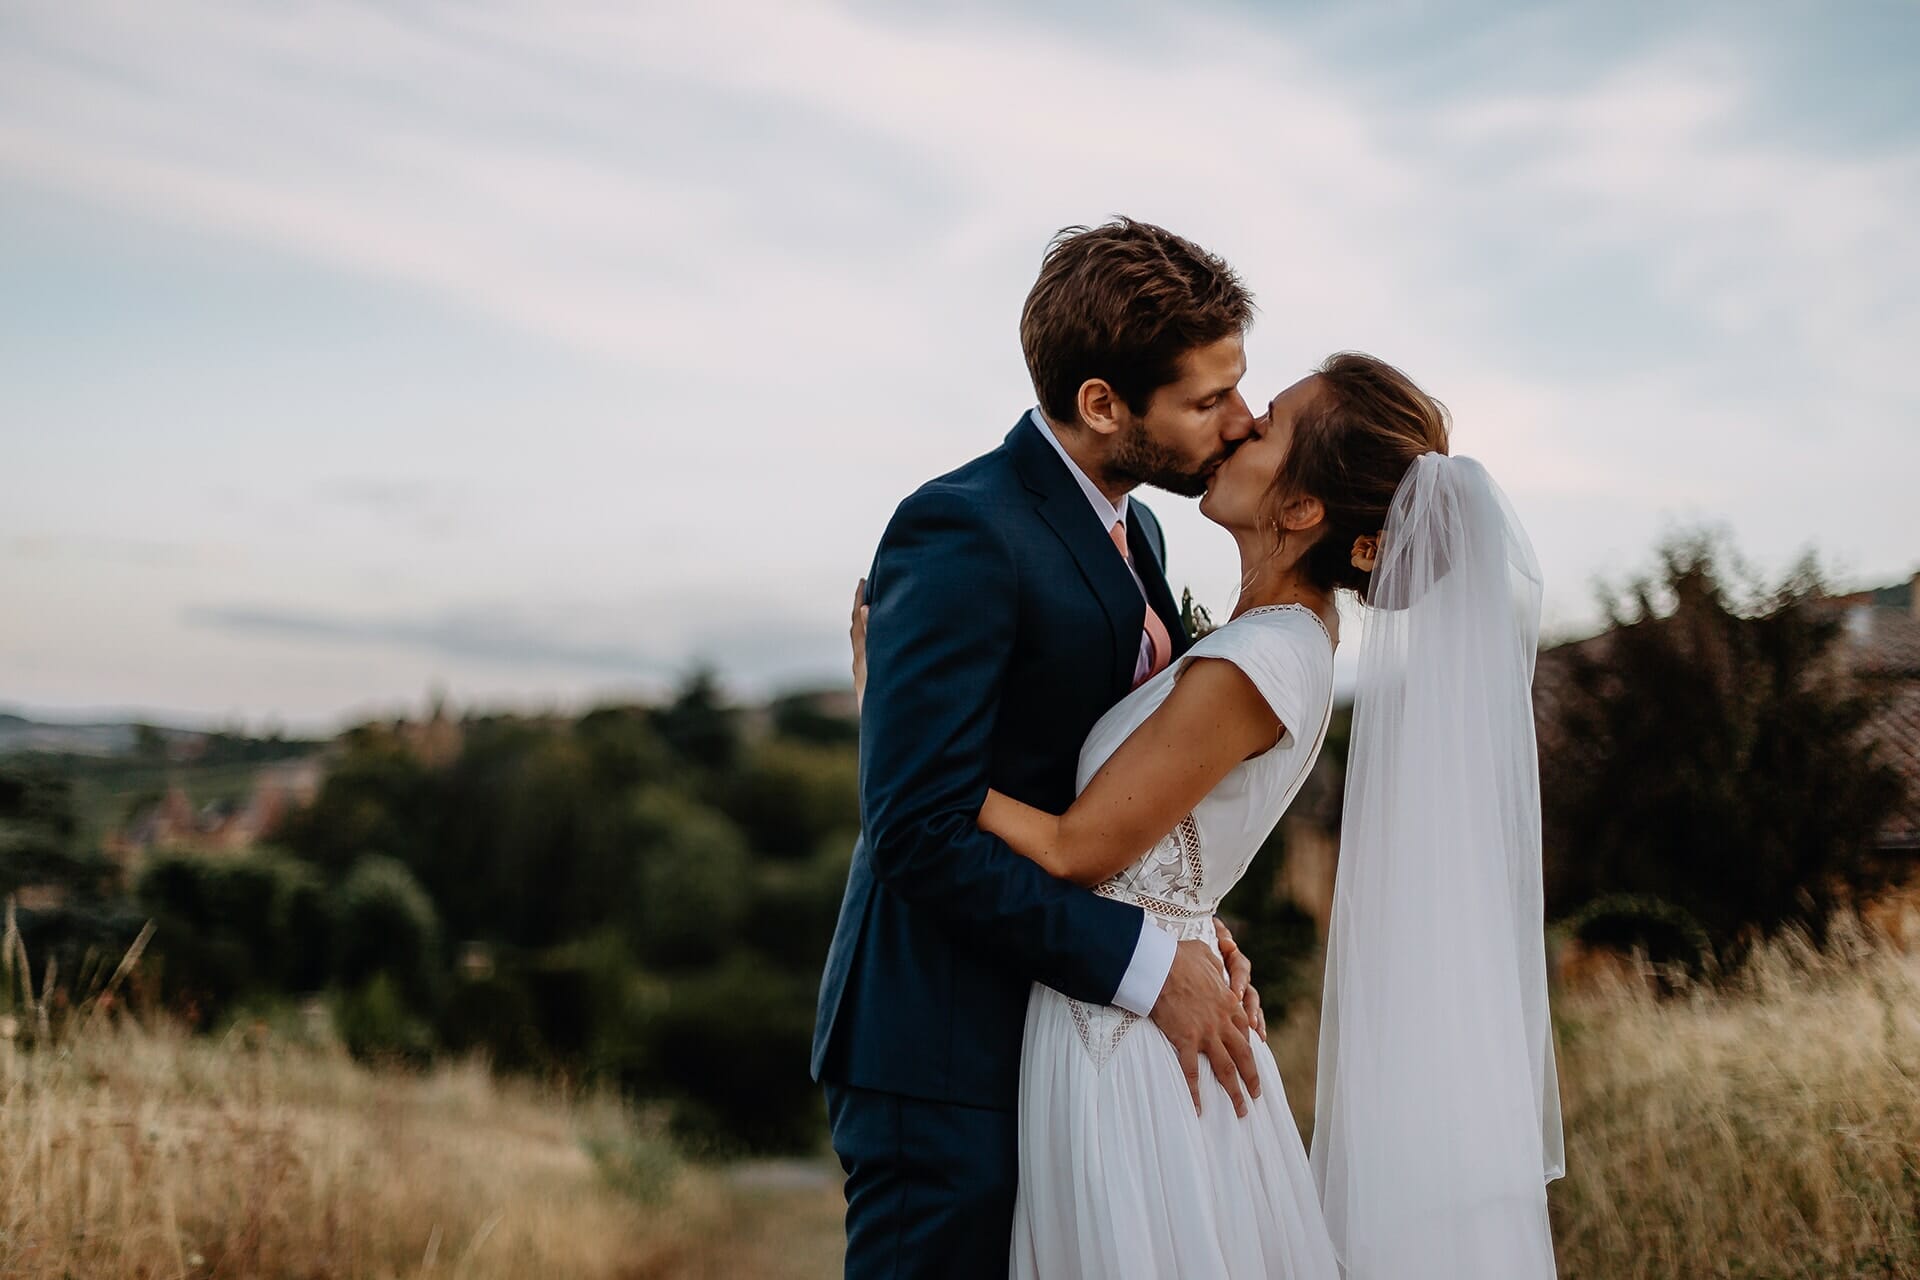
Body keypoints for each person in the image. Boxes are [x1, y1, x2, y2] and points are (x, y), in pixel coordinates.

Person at [850, 352, 1565, 1278]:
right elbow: (1168, 833)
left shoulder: (1261, 658)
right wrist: (1189, 913)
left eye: (1264, 422)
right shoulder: (1253, 634)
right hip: (1128, 1017)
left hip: (1130, 1049)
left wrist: (894, 719)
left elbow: (1073, 848)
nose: (1237, 425)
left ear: (1304, 511)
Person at [811, 218, 1269, 1279]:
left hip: (1065, 1044)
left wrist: (1188, 914)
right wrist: (1148, 965)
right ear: (1104, 403)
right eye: (1208, 399)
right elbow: (918, 831)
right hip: (944, 1045)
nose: (1242, 422)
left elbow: (1111, 787)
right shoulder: (962, 526)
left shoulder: (1140, 531)